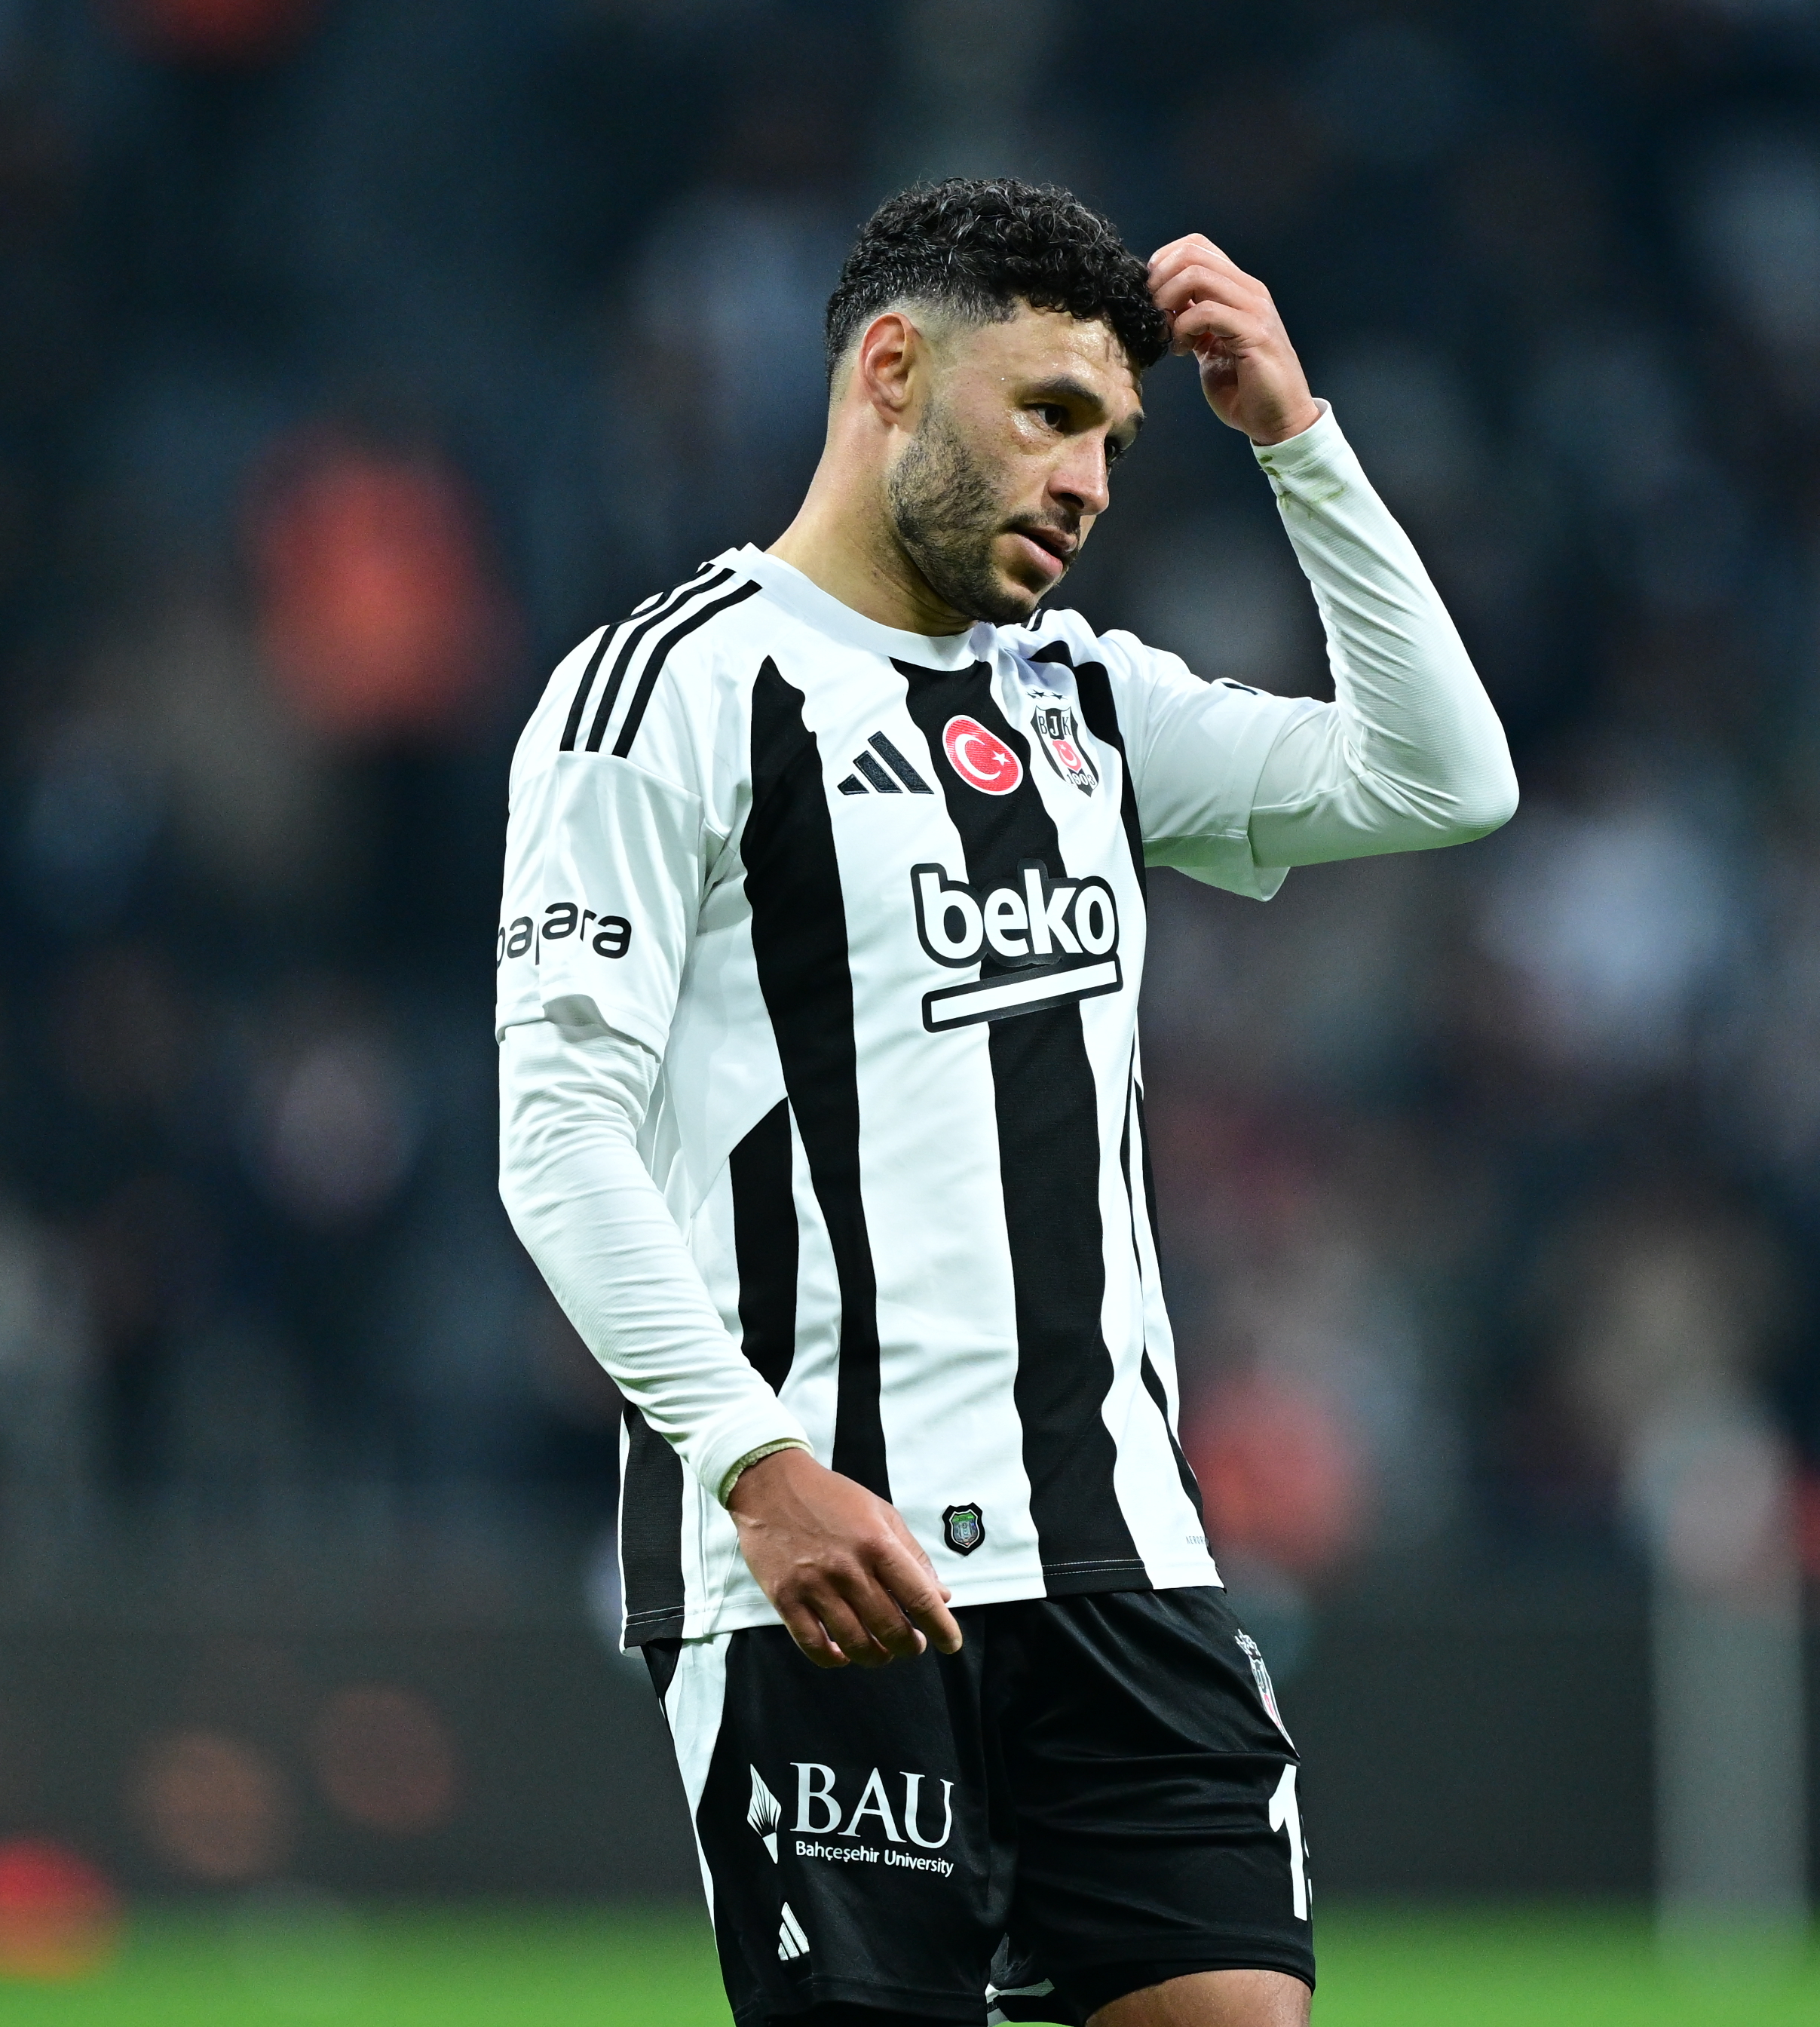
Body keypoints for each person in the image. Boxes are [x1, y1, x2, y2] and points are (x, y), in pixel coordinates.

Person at [495, 177, 1514, 2027]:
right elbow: (559, 1137)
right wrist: (754, 1467)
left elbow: (1443, 779)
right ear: (891, 371)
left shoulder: (1086, 707)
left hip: (1126, 1559)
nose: (1090, 481)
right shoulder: (671, 693)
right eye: (1049, 413)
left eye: (1115, 439)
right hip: (828, 1571)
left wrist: (1297, 441)